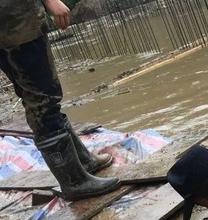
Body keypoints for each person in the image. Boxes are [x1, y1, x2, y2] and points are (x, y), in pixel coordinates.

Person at [0, 0, 120, 200]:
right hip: (16, 22)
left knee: (35, 96)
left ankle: (81, 162)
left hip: (11, 25)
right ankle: (74, 181)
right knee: (44, 98)